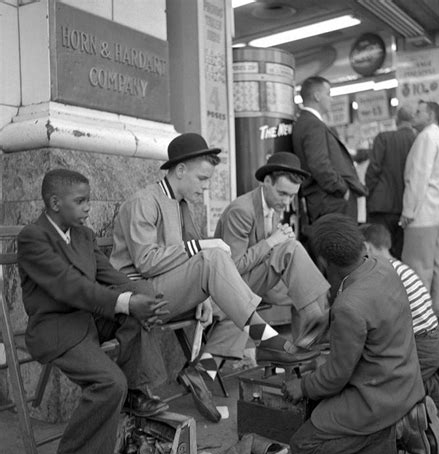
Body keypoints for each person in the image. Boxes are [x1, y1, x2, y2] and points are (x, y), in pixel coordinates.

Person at [110, 133, 317, 423]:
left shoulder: (181, 204)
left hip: (170, 290)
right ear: (180, 170)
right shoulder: (144, 201)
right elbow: (146, 262)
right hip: (138, 294)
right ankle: (265, 339)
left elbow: (192, 263)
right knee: (217, 259)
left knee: (230, 296)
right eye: (202, 178)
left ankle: (206, 369)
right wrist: (202, 247)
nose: (206, 187)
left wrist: (204, 295)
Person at [18, 169, 170, 454]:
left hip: (87, 320)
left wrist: (146, 298)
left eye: (89, 199)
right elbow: (70, 286)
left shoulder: (83, 235)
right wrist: (129, 303)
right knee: (109, 384)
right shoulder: (33, 237)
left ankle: (135, 391)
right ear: (55, 202)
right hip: (55, 328)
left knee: (139, 300)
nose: (89, 206)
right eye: (81, 201)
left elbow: (111, 276)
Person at [283, 214, 439, 454]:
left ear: (324, 262)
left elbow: (336, 377)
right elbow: (369, 313)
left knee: (304, 445)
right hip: (405, 381)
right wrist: (330, 318)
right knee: (318, 408)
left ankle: (397, 434)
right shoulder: (383, 266)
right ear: (361, 247)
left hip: (378, 395)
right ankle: (409, 416)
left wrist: (302, 386)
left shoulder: (349, 307)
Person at [214, 152, 330, 347]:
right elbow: (232, 267)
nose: (286, 202)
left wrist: (277, 241)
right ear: (266, 181)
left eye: (292, 196)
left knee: (311, 291)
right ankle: (316, 329)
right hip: (232, 286)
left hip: (258, 282)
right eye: (282, 193)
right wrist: (273, 242)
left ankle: (306, 349)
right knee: (290, 250)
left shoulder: (271, 206)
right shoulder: (242, 210)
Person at [361, 223, 439, 420]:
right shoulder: (401, 267)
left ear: (367, 248)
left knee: (382, 387)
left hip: (419, 348)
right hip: (433, 341)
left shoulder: (382, 273)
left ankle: (433, 388)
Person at [400, 100, 439, 319]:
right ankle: (436, 308)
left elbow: (417, 177)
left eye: (419, 111)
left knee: (417, 268)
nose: (414, 115)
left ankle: (419, 315)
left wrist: (408, 211)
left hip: (421, 214)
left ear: (431, 115)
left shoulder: (425, 138)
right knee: (437, 263)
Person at [292, 76, 367, 223]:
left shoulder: (305, 122)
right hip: (329, 201)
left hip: (324, 200)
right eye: (328, 94)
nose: (331, 99)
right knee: (339, 242)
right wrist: (341, 189)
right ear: (317, 96)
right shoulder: (312, 124)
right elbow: (319, 164)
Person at [365, 106, 416, 259]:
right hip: (407, 208)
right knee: (400, 254)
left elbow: (373, 169)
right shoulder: (418, 140)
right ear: (412, 121)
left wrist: (369, 191)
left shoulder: (383, 137)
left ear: (396, 120)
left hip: (381, 206)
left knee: (378, 251)